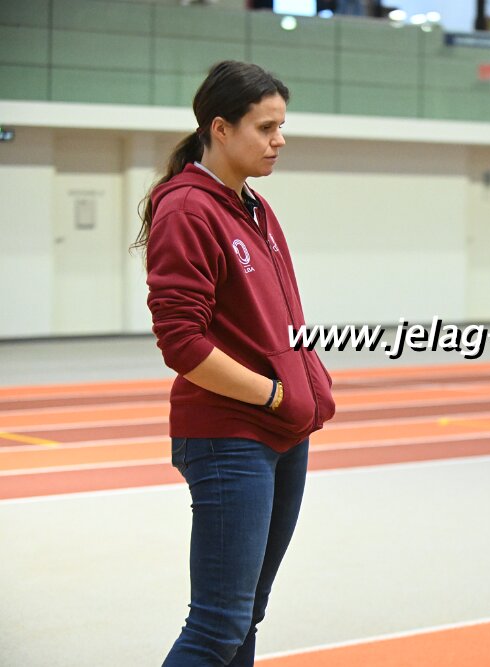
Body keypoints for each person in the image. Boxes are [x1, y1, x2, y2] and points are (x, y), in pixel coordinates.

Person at [133, 60, 337, 666]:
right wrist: (274, 393)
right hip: (230, 436)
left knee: (245, 616)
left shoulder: (254, 206)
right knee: (217, 626)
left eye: (282, 126)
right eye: (265, 127)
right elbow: (182, 343)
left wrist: (306, 383)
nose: (280, 140)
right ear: (220, 128)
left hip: (282, 434)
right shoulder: (187, 210)